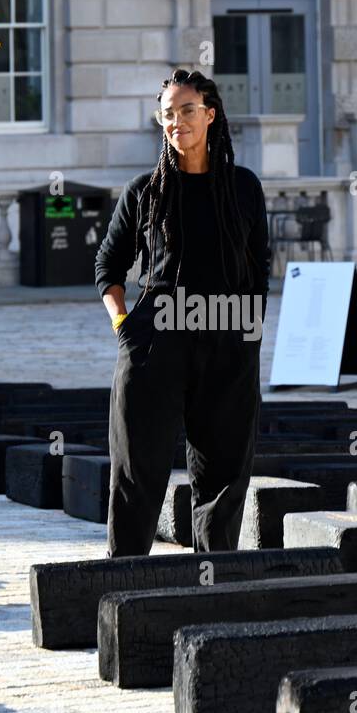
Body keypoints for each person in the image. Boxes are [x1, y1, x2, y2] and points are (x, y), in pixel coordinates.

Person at [94, 68, 271, 557]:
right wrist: (123, 326)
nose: (177, 122)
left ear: (210, 115)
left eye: (187, 111)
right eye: (167, 114)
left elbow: (260, 268)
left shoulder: (243, 188)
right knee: (137, 472)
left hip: (227, 342)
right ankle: (125, 587)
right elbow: (108, 264)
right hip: (155, 345)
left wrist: (246, 334)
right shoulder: (144, 192)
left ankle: (212, 586)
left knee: (223, 478)